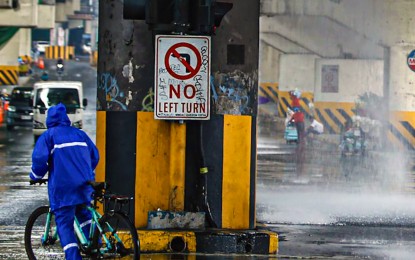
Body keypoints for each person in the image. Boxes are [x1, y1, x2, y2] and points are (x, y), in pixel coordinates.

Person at [29, 103, 99, 260]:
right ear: (66, 118)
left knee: (64, 224)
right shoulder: (80, 134)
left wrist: (35, 176)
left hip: (64, 188)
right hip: (84, 184)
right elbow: (94, 156)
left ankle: (73, 257)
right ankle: (95, 246)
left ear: (49, 120)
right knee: (84, 215)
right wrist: (84, 171)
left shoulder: (49, 136)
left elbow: (39, 160)